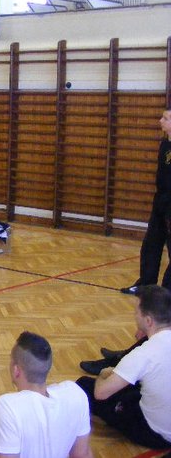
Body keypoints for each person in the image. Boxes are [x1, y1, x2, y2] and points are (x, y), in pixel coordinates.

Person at [76, 285, 171, 449]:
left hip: (157, 434)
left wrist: (103, 374)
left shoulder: (144, 353)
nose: (135, 315)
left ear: (148, 321)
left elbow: (101, 393)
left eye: (137, 312)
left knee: (84, 385)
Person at [121, 109, 171, 294]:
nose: (160, 121)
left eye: (165, 118)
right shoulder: (164, 144)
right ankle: (146, 285)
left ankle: (166, 292)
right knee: (151, 245)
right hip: (161, 201)